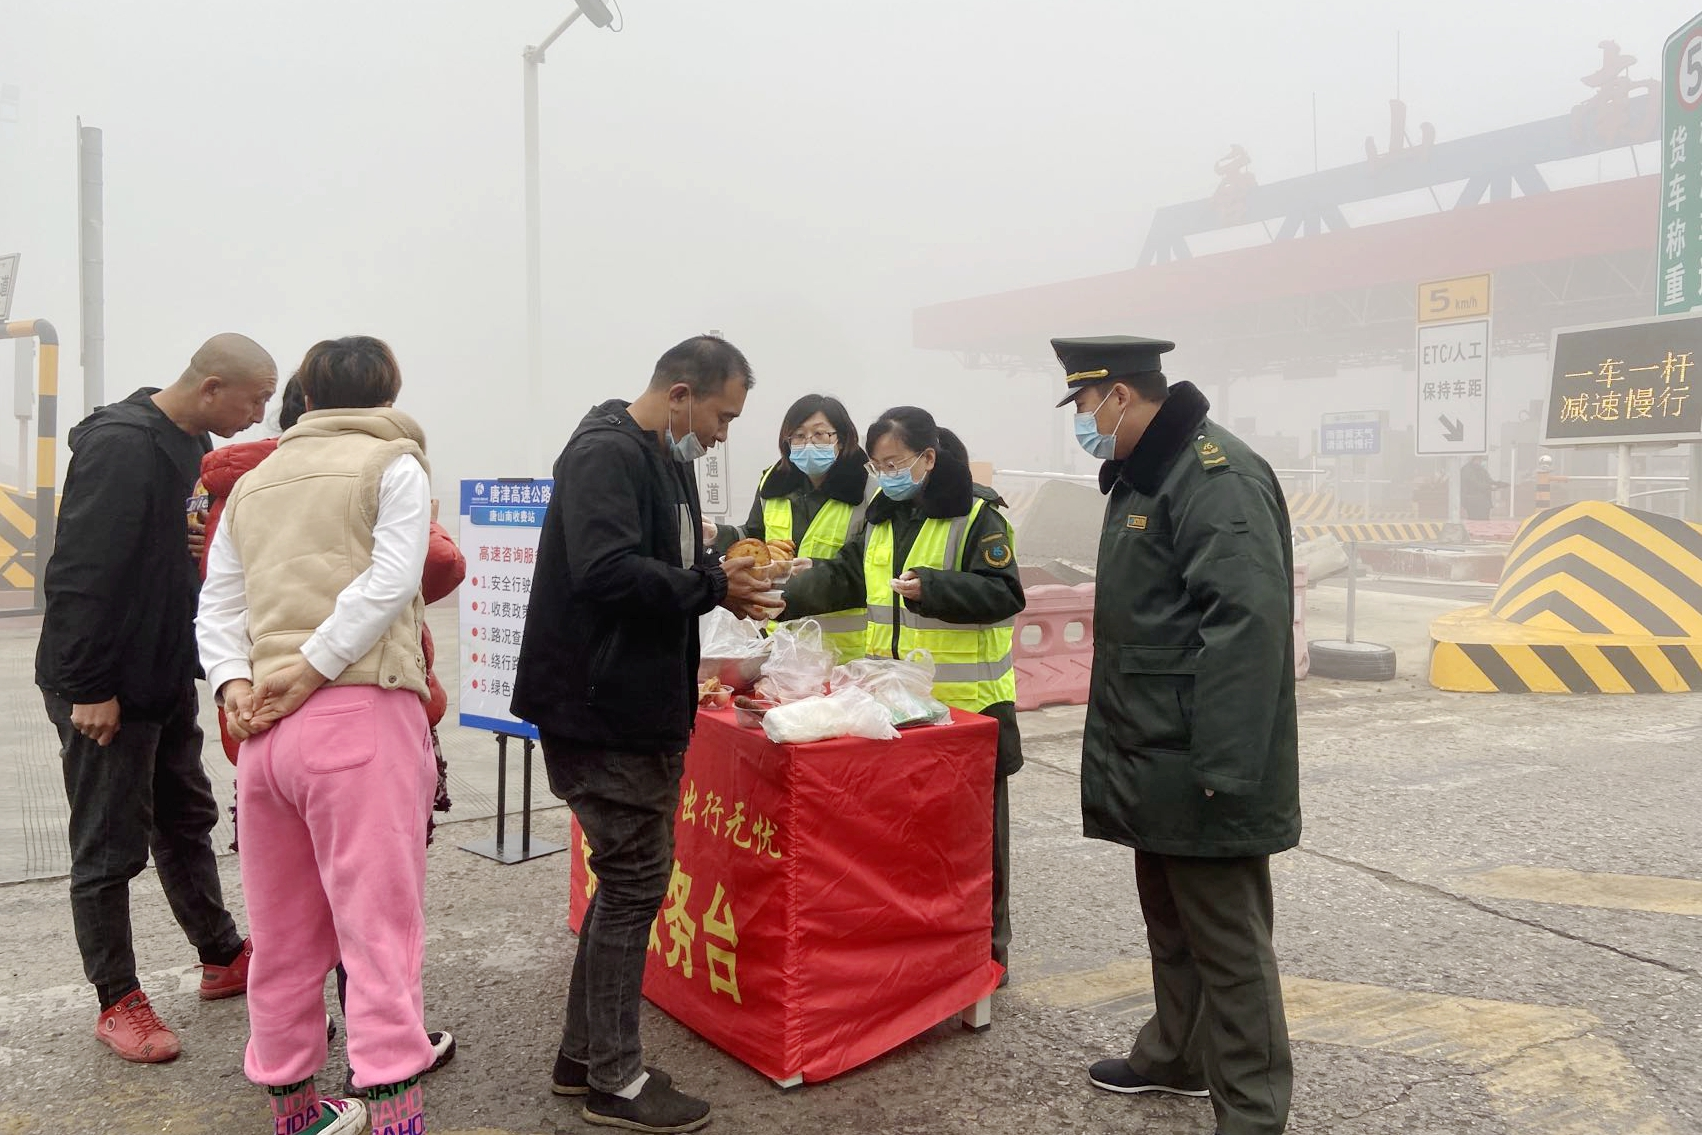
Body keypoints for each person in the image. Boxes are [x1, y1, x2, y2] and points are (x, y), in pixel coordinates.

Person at [512, 334, 775, 1135]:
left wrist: (721, 585)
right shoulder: (605, 453)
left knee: (623, 879)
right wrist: (707, 583)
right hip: (602, 709)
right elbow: (602, 569)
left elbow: (673, 563)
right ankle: (616, 1081)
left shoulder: (666, 459)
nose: (724, 434)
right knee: (632, 883)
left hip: (639, 703)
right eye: (723, 415)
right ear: (681, 392)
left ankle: (581, 1055)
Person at [1053, 335, 1298, 1135]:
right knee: (1169, 918)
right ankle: (1175, 1053)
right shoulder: (1149, 473)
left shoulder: (1214, 476)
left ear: (1121, 395)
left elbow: (1247, 621)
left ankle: (1253, 1111)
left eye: (1086, 406)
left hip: (1198, 757)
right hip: (1154, 750)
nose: (1082, 422)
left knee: (1228, 943)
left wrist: (1224, 763)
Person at [198, 336, 442, 1135]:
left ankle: (297, 1113)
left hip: (264, 737)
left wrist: (237, 684)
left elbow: (219, 605)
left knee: (281, 936)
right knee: (378, 932)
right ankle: (396, 1116)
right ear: (388, 389)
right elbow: (392, 580)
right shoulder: (392, 465)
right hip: (360, 714)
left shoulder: (254, 482)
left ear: (304, 393)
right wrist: (315, 664)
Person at [35, 333, 274, 1064]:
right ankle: (117, 999)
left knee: (184, 817)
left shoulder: (189, 442)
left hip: (163, 674)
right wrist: (90, 687)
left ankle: (221, 952)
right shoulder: (123, 445)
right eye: (254, 399)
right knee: (110, 845)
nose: (259, 412)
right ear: (209, 386)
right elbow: (79, 572)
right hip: (105, 685)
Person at [778, 406, 1025, 977]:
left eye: (895, 462)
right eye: (878, 463)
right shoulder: (879, 516)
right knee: (912, 841)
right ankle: (924, 949)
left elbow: (1005, 593)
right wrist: (779, 594)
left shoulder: (979, 515)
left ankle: (988, 955)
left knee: (976, 845)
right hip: (898, 709)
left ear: (927, 458)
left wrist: (932, 588)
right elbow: (842, 575)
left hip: (971, 710)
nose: (885, 472)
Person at [708, 393, 873, 660]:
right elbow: (755, 540)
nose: (808, 443)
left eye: (820, 434)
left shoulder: (868, 489)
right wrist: (718, 535)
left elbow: (861, 570)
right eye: (798, 435)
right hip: (778, 644)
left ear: (842, 439)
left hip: (842, 651)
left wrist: (784, 596)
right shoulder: (773, 482)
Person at [1460, 454, 1506, 520]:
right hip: (1472, 500)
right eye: (1480, 459)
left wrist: (1497, 484)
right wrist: (1489, 486)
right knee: (1475, 520)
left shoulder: (1480, 468)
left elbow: (1488, 479)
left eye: (1481, 459)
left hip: (1483, 500)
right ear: (1474, 458)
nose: (1480, 461)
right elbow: (1475, 484)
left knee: (1485, 520)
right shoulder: (1467, 470)